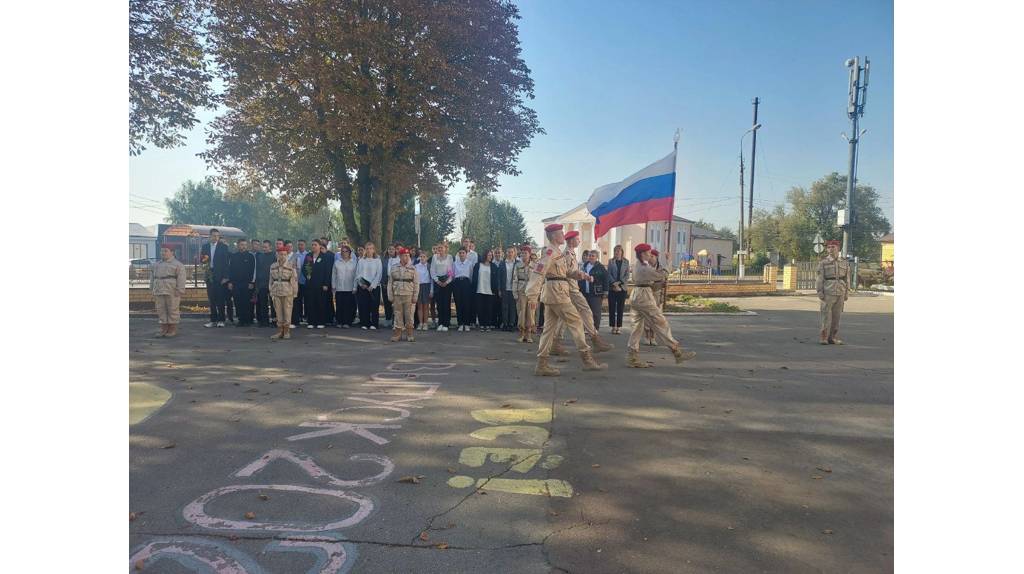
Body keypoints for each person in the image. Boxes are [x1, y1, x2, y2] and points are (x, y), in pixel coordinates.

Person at [534, 224, 607, 376]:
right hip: (557, 292)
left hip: (555, 291)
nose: (563, 235)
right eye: (561, 233)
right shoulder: (549, 251)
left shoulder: (557, 251)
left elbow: (564, 271)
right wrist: (531, 295)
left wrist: (580, 275)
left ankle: (542, 364)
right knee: (576, 322)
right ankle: (587, 359)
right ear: (554, 236)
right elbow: (539, 271)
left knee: (549, 329)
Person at [626, 244, 696, 368]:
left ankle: (633, 356)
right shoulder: (644, 268)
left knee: (637, 327)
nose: (650, 255)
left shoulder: (639, 264)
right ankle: (677, 352)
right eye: (648, 253)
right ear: (642, 254)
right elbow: (662, 275)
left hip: (637, 294)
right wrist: (669, 261)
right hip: (644, 296)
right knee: (660, 322)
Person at [556, 231, 613, 354]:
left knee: (564, 317)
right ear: (571, 241)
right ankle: (595, 339)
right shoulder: (567, 254)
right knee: (586, 310)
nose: (579, 241)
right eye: (577, 239)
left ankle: (556, 342)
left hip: (570, 288)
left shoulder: (571, 253)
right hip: (571, 288)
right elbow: (569, 272)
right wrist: (585, 276)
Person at [816, 239, 850, 345]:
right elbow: (819, 278)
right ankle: (824, 337)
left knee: (837, 316)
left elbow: (846, 278)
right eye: (828, 247)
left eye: (833, 247)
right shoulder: (823, 262)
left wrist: (847, 292)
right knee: (826, 316)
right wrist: (819, 291)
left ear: (838, 248)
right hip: (828, 291)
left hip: (840, 291)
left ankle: (833, 337)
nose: (830, 249)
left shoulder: (844, 262)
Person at [151, 244, 186, 337]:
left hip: (171, 290)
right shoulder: (156, 264)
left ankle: (172, 329)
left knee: (172, 309)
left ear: (172, 252)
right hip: (158, 289)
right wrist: (151, 288)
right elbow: (152, 278)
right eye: (162, 251)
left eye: (166, 251)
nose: (163, 253)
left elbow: (181, 278)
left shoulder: (178, 265)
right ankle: (163, 328)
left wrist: (180, 289)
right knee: (160, 309)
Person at [388, 247, 418, 342]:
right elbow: (390, 283)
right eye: (404, 255)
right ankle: (398, 334)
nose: (406, 257)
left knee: (409, 315)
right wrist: (390, 295)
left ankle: (409, 334)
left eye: (408, 255)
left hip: (409, 295)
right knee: (397, 315)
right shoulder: (394, 267)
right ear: (400, 256)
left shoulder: (413, 268)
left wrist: (415, 296)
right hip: (397, 295)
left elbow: (416, 283)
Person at [269, 245, 299, 339]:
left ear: (287, 255)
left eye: (284, 254)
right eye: (280, 254)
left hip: (287, 292)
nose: (282, 256)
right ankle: (280, 332)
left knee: (287, 312)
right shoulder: (273, 266)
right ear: (277, 255)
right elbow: (270, 280)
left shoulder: (290, 266)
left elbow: (294, 281)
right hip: (276, 291)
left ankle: (286, 332)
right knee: (278, 313)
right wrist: (271, 291)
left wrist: (295, 292)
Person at [202, 229, 230, 328]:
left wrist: (226, 277)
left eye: (217, 236)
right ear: (210, 236)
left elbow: (226, 263)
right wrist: (204, 266)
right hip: (210, 275)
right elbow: (203, 260)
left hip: (220, 276)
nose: (215, 237)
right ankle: (213, 320)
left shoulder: (223, 247)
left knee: (220, 299)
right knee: (211, 299)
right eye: (214, 235)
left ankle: (221, 320)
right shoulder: (205, 247)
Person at [227, 239, 256, 326]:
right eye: (241, 245)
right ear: (238, 245)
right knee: (237, 302)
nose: (243, 246)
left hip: (247, 283)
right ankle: (240, 320)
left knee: (246, 302)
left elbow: (254, 270)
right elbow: (230, 270)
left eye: (244, 245)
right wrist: (230, 282)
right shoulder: (233, 256)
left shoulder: (250, 256)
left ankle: (247, 320)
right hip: (236, 283)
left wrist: (252, 282)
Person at [304, 240, 332, 329]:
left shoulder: (325, 257)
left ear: (320, 246)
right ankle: (311, 322)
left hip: (321, 285)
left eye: (315, 245)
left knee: (320, 303)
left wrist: (326, 284)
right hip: (310, 284)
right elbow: (305, 268)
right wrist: (307, 275)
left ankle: (321, 321)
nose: (313, 246)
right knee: (310, 303)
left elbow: (327, 271)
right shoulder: (308, 256)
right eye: (312, 245)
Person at [355, 242, 383, 330]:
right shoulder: (361, 260)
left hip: (374, 286)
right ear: (365, 250)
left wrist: (372, 285)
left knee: (374, 306)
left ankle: (374, 324)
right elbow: (358, 274)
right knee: (364, 305)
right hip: (363, 286)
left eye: (371, 248)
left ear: (374, 250)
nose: (369, 250)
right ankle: (365, 323)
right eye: (367, 248)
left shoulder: (377, 261)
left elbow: (379, 274)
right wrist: (362, 284)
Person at [580, 249, 609, 332]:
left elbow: (606, 279)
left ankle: (595, 329)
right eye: (589, 255)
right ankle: (586, 328)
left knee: (596, 313)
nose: (591, 257)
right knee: (585, 312)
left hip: (596, 294)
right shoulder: (584, 266)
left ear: (597, 257)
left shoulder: (600, 267)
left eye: (593, 256)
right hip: (584, 292)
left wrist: (605, 292)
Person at [472, 249, 500, 332]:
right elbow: (474, 278)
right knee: (480, 309)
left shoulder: (494, 266)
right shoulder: (477, 265)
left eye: (491, 255)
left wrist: (495, 290)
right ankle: (482, 325)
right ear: (485, 255)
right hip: (479, 290)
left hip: (490, 291)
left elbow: (495, 279)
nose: (490, 257)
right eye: (489, 255)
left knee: (489, 309)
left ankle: (488, 325)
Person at [332, 244, 358, 328]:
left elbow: (356, 276)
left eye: (346, 251)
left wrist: (355, 287)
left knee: (348, 306)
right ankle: (339, 321)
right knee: (339, 305)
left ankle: (347, 322)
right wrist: (333, 285)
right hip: (339, 287)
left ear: (349, 252)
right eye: (342, 252)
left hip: (350, 287)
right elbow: (334, 275)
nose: (344, 253)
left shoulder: (354, 263)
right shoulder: (337, 262)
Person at [607, 245, 630, 335]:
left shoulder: (626, 262)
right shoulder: (611, 261)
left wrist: (619, 283)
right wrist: (614, 283)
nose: (617, 252)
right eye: (615, 251)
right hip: (612, 288)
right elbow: (608, 274)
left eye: (618, 251)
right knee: (612, 308)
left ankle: (619, 327)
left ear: (622, 252)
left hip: (622, 288)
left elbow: (627, 275)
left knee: (620, 308)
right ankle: (613, 326)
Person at [431, 243, 454, 331]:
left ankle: (446, 323)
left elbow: (451, 271)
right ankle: (440, 323)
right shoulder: (434, 257)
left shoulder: (449, 257)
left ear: (445, 249)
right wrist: (437, 281)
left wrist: (447, 282)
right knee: (439, 304)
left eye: (441, 248)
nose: (440, 249)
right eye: (438, 248)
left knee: (446, 303)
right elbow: (432, 270)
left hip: (447, 283)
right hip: (438, 282)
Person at [512, 244, 533, 342]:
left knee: (530, 313)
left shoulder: (535, 266)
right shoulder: (518, 265)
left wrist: (538, 293)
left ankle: (528, 334)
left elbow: (539, 280)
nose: (523, 255)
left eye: (525, 253)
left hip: (532, 292)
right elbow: (515, 279)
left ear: (530, 254)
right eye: (522, 253)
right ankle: (521, 333)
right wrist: (515, 293)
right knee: (521, 312)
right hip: (521, 290)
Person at [452, 247, 475, 331]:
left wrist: (469, 284)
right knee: (459, 303)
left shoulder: (469, 263)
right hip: (457, 283)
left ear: (466, 254)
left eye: (463, 253)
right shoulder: (455, 263)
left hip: (466, 283)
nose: (461, 254)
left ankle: (467, 323)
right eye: (460, 253)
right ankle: (460, 323)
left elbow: (471, 275)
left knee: (466, 304)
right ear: (458, 254)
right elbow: (452, 274)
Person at [254, 240, 275, 327]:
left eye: (266, 247)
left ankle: (274, 321)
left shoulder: (275, 256)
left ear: (270, 247)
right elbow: (257, 269)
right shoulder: (259, 256)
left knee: (273, 303)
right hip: (262, 283)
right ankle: (264, 321)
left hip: (272, 283)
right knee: (263, 303)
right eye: (263, 247)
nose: (264, 249)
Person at [498, 247, 519, 332]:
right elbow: (499, 277)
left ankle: (511, 324)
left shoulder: (517, 264)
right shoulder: (502, 263)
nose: (510, 253)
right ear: (506, 253)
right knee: (504, 307)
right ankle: (505, 324)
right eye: (508, 252)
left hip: (514, 289)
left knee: (513, 307)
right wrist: (499, 289)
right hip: (504, 288)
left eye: (511, 252)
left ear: (514, 253)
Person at [290, 240, 309, 327]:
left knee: (307, 299)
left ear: (305, 245)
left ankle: (307, 316)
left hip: (306, 281)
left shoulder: (308, 255)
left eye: (302, 244)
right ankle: (299, 316)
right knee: (297, 300)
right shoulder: (294, 255)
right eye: (299, 245)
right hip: (296, 281)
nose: (300, 246)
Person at [381, 245, 400, 327]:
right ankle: (388, 318)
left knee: (395, 302)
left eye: (392, 249)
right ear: (387, 250)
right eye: (389, 249)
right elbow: (381, 271)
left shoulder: (398, 259)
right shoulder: (384, 259)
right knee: (386, 301)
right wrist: (384, 282)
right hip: (386, 281)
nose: (391, 250)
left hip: (396, 282)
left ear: (395, 250)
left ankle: (395, 320)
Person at [415, 250, 433, 331]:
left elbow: (432, 279)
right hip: (418, 286)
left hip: (427, 286)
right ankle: (420, 323)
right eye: (421, 256)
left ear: (427, 258)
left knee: (426, 306)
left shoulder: (429, 266)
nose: (422, 258)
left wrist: (431, 291)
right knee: (419, 306)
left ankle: (425, 323)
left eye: (424, 257)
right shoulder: (416, 266)